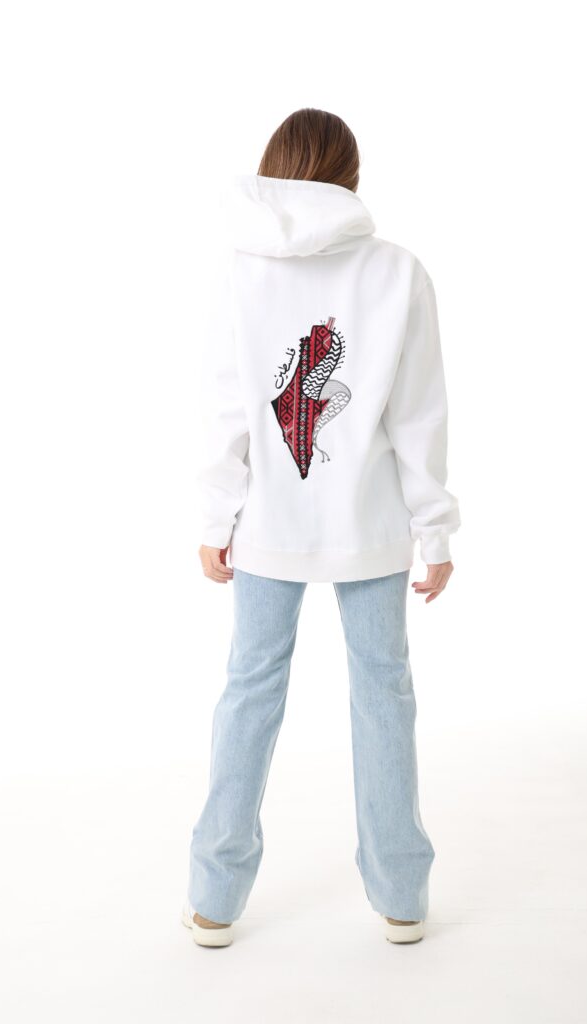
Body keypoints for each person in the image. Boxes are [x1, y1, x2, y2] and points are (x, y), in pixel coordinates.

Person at [182, 108, 461, 948]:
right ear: (350, 175)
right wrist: (433, 529)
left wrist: (216, 516)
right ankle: (402, 897)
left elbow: (228, 409)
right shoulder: (396, 271)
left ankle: (213, 900)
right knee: (384, 693)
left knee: (249, 689)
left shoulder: (241, 270)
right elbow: (418, 415)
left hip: (267, 520)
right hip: (369, 524)